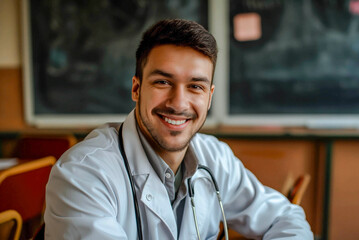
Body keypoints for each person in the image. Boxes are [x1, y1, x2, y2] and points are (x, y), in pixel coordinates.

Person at [44, 19, 313, 239]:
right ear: (137, 88)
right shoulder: (83, 174)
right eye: (163, 82)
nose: (178, 103)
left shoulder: (215, 157)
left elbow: (285, 217)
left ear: (209, 97)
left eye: (196, 86)